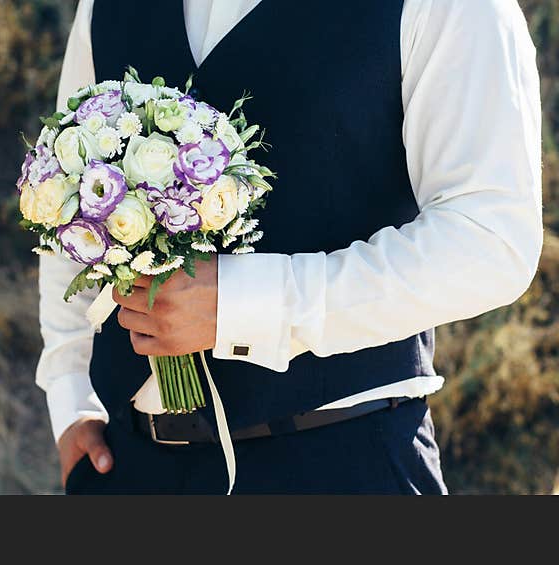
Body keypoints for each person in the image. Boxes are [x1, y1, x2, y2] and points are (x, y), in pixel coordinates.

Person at [37, 0, 543, 494]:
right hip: (127, 468)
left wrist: (242, 304)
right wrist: (70, 396)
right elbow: (66, 195)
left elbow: (491, 239)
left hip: (341, 466)